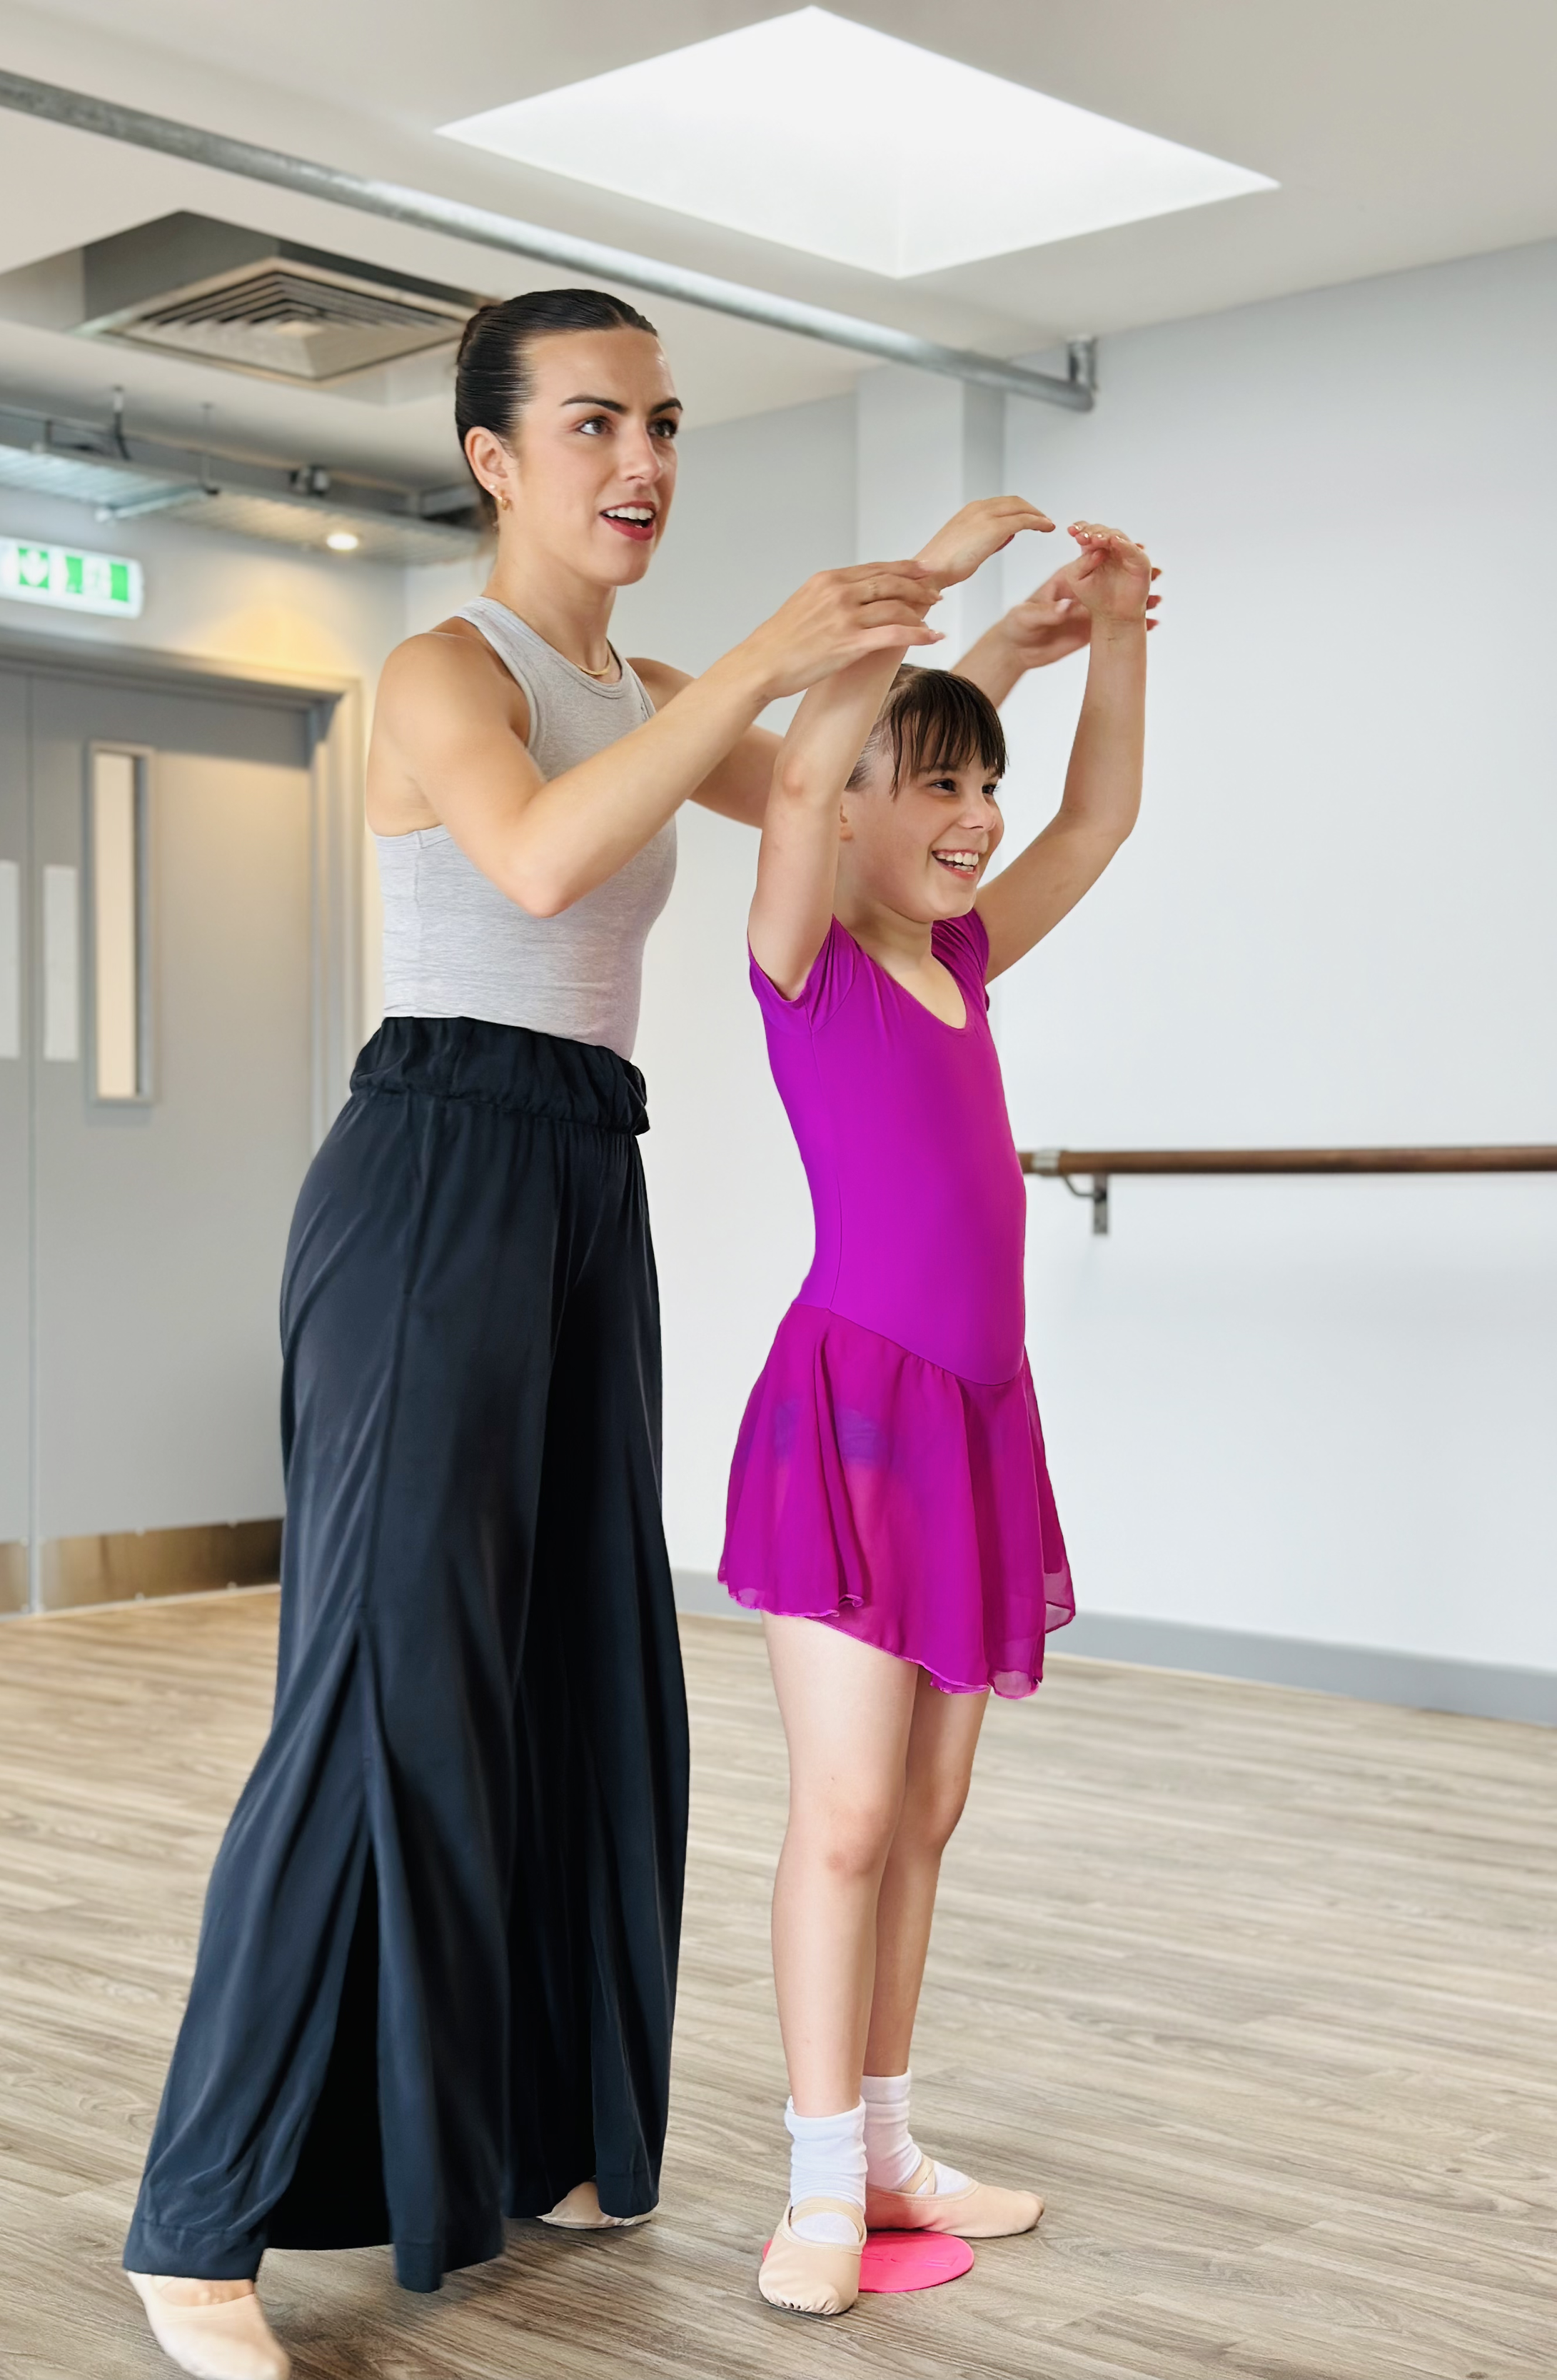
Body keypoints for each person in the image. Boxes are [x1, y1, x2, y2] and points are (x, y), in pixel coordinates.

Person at [121, 285, 1106, 2380]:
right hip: (429, 1176)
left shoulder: (647, 680)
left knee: (587, 1671)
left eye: (658, 421)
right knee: (380, 1688)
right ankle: (195, 2222)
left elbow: (833, 798)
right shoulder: (437, 669)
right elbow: (550, 847)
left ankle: (540, 2131)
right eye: (591, 425)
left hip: (585, 1175)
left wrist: (990, 651)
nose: (639, 459)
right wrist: (782, 645)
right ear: (494, 458)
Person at [722, 496, 1156, 2319]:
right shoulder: (805, 959)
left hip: (977, 1419)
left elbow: (1100, 813)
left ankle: (889, 2141)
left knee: (922, 1814)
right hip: (851, 1422)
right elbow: (827, 747)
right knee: (837, 1813)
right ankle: (819, 2184)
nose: (975, 818)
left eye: (978, 787)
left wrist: (1112, 633)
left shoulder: (960, 962)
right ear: (845, 819)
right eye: (937, 789)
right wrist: (937, 582)